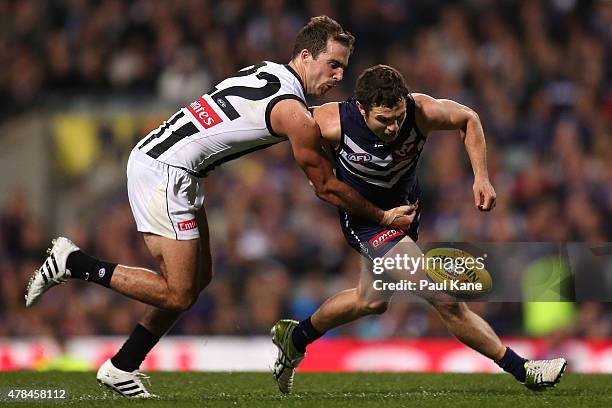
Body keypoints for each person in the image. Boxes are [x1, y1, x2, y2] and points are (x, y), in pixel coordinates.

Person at [24, 18, 416, 398]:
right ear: (305, 56)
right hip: (167, 171)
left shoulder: (265, 70)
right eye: (332, 65)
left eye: (342, 69)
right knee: (178, 293)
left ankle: (123, 365)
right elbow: (327, 188)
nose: (336, 78)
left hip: (176, 166)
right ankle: (74, 263)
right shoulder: (292, 112)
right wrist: (382, 216)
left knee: (199, 278)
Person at [271, 64, 567, 394]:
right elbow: (279, 127)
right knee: (443, 296)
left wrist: (481, 177)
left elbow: (468, 118)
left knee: (371, 301)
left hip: (406, 215)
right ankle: (523, 369)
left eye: (397, 116)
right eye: (383, 120)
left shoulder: (421, 111)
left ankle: (295, 338)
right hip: (368, 222)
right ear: (361, 109)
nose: (393, 126)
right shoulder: (329, 121)